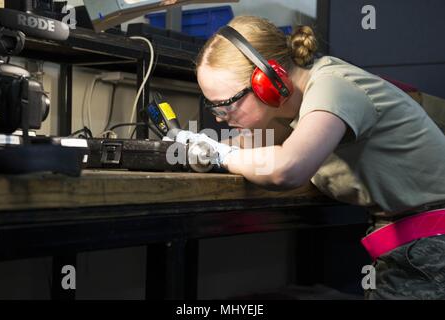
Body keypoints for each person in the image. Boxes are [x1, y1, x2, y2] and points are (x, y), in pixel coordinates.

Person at [172, 15, 445, 299]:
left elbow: (288, 168)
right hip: (414, 247)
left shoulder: (332, 87)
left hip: (431, 252)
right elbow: (256, 146)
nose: (219, 118)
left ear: (267, 81)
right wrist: (190, 145)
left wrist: (218, 154)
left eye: (225, 105)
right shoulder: (299, 106)